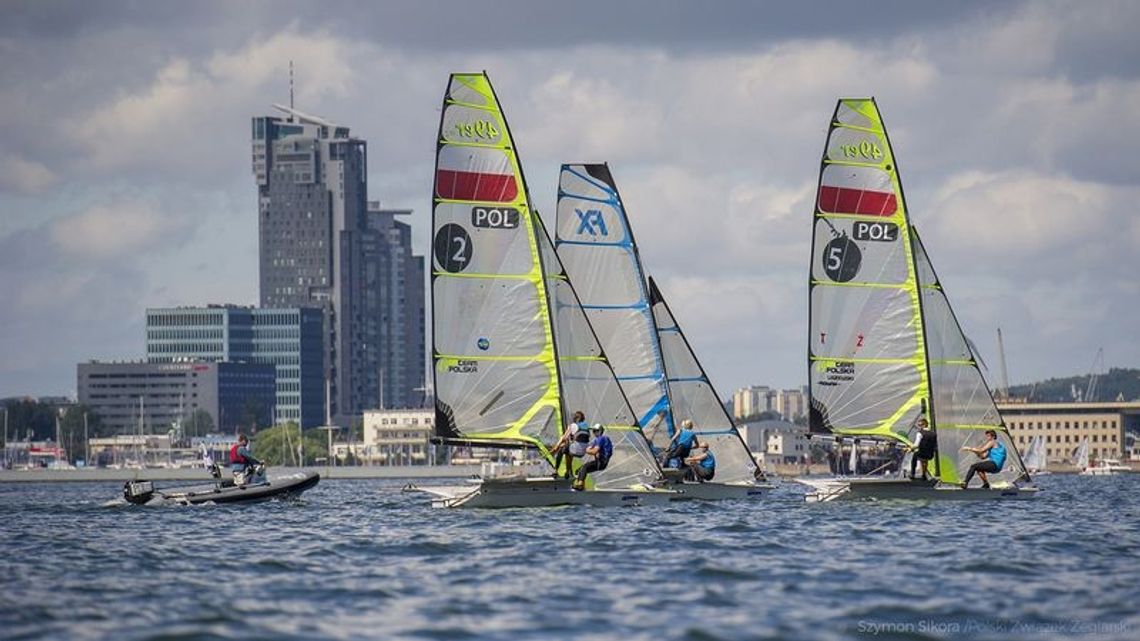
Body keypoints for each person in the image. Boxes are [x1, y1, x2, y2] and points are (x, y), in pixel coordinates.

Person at [551, 411, 590, 480]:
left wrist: (556, 447)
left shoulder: (573, 425)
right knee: (568, 451)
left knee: (562, 449)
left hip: (576, 449)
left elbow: (564, 437)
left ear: (577, 418)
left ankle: (555, 470)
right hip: (583, 452)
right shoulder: (586, 426)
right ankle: (568, 472)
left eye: (574, 417)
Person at [573, 424, 613, 491]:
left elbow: (594, 451)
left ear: (599, 431)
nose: (593, 432)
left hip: (601, 462)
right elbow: (589, 446)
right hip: (600, 462)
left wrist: (586, 450)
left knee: (584, 467)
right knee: (579, 471)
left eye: (595, 431)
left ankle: (580, 485)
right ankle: (581, 486)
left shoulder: (601, 438)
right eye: (593, 431)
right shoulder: (597, 440)